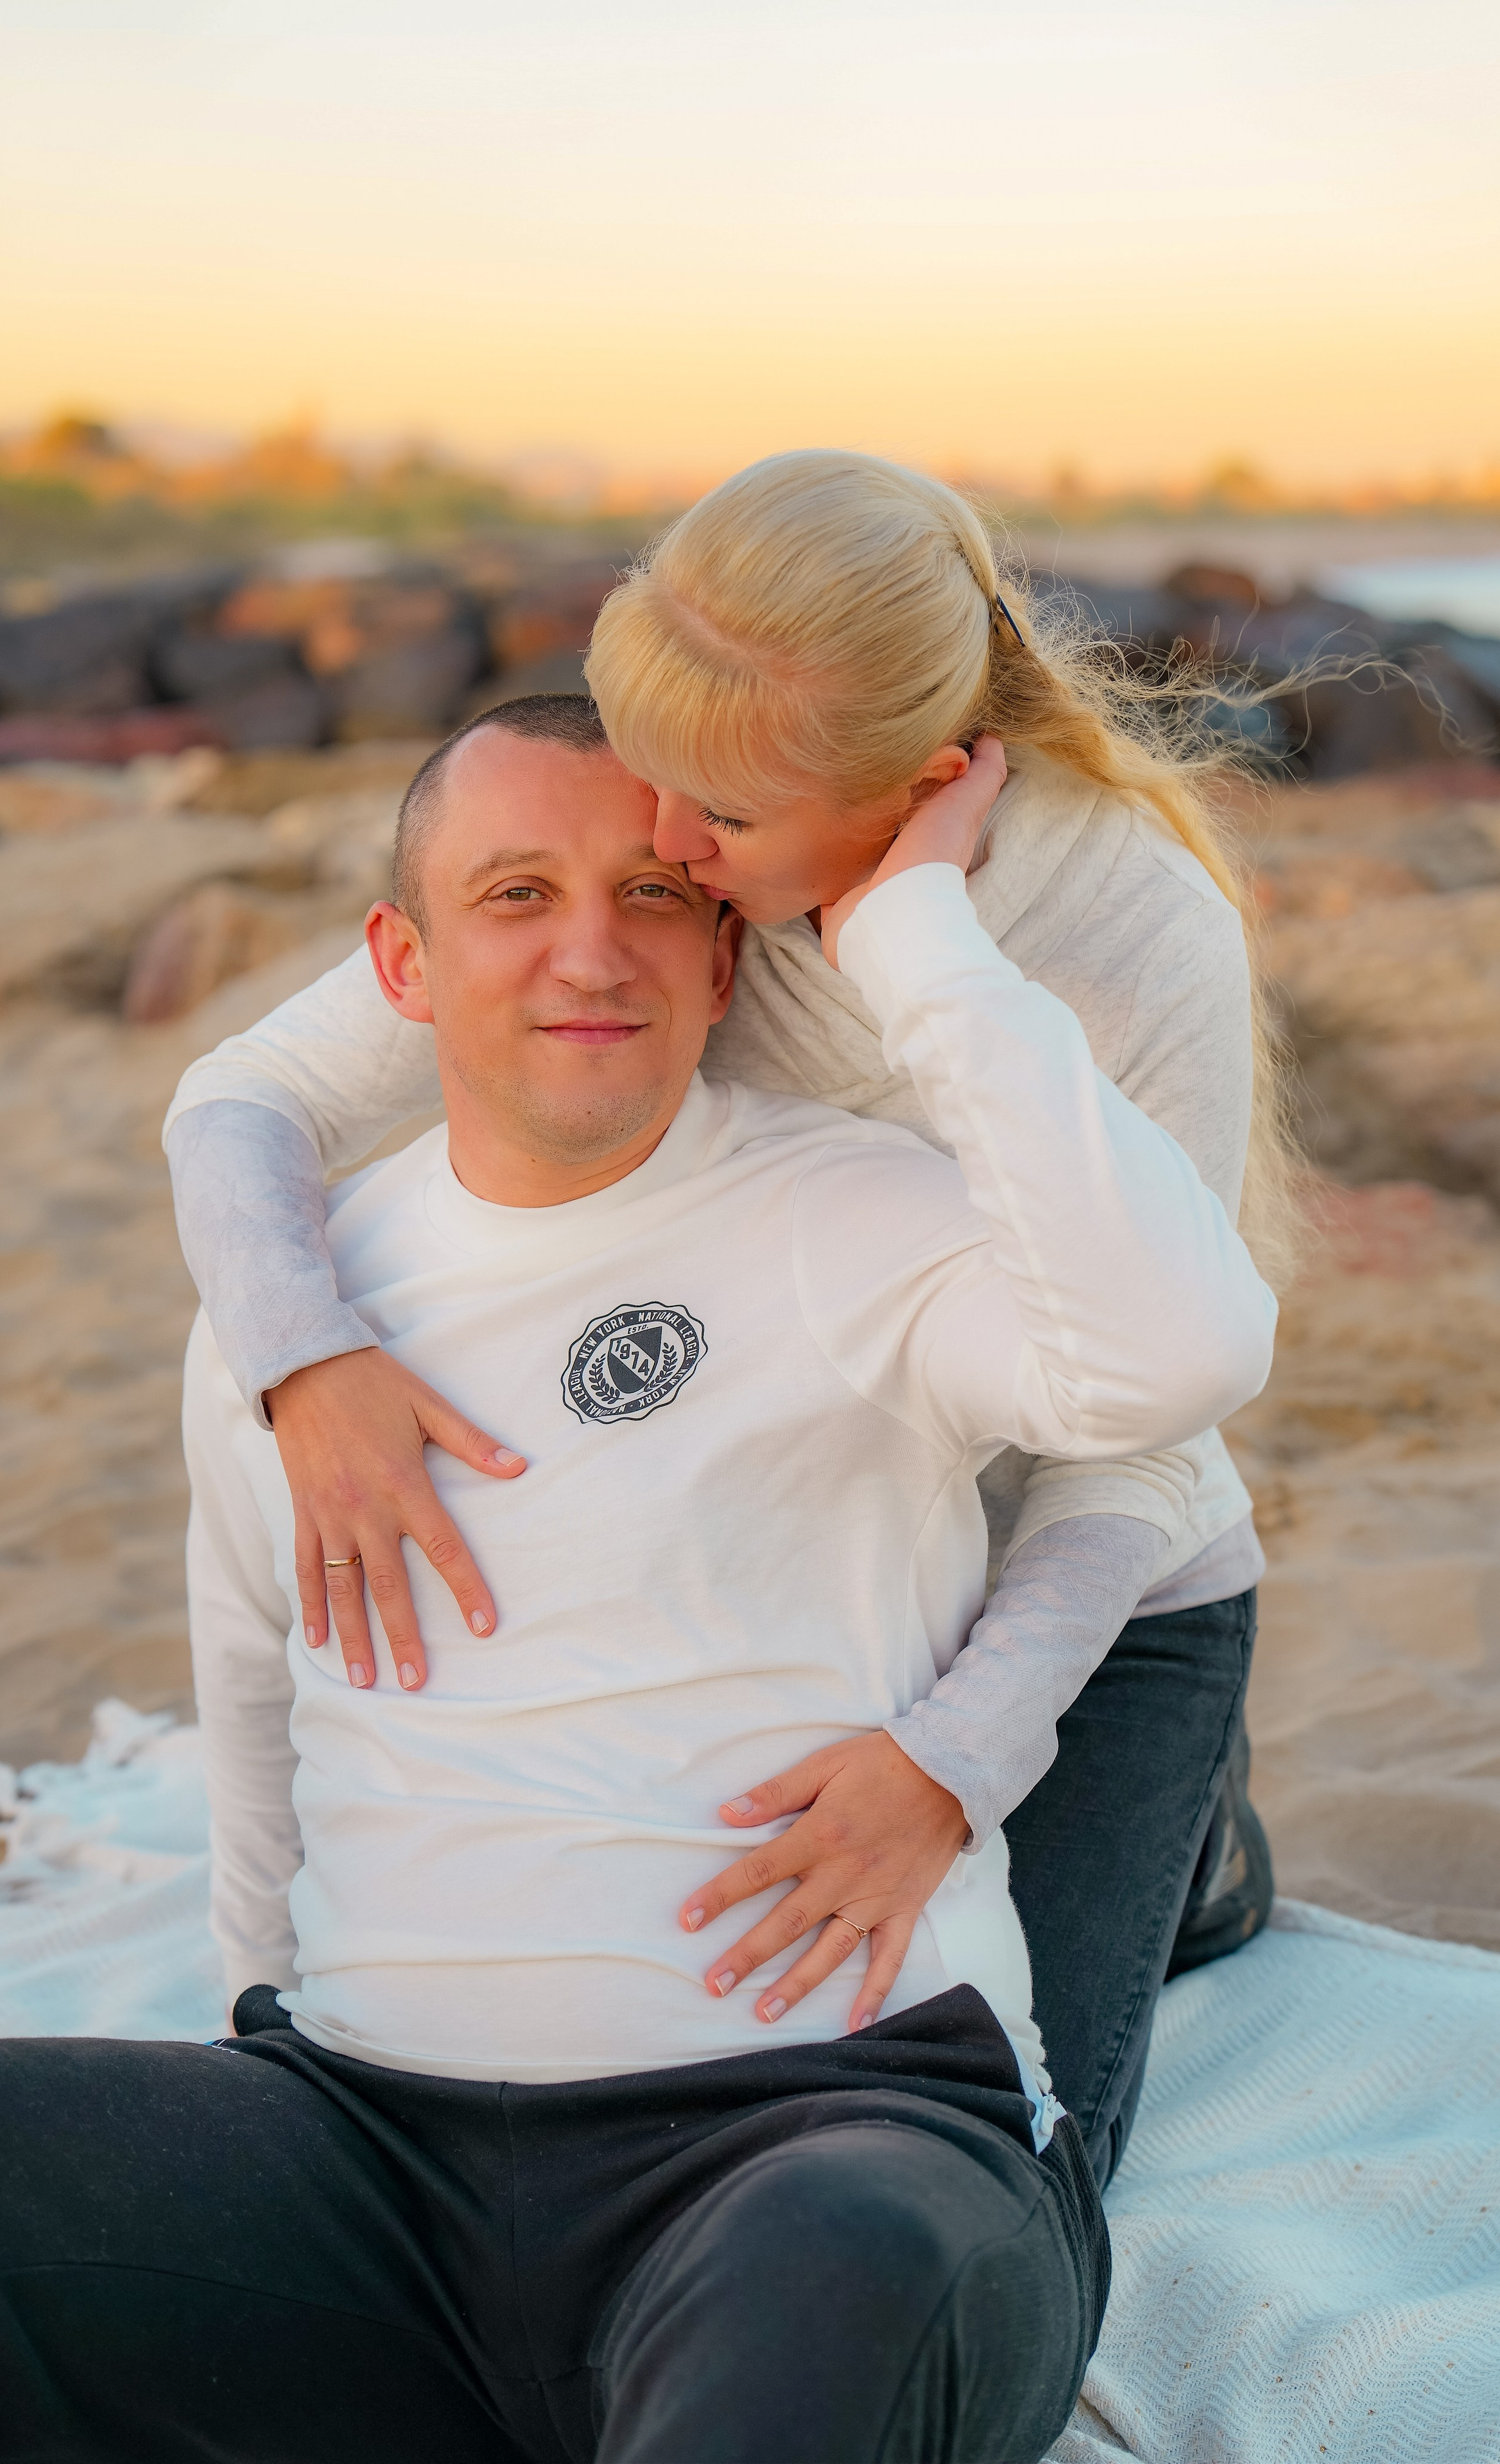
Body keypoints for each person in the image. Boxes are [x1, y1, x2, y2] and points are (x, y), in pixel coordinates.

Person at [0, 699, 1274, 2464]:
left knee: (845, 2275)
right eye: (515, 894)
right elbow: (255, 1681)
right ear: (400, 966)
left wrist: (916, 925)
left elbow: (1176, 1369)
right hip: (367, 2159)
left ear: (732, 964)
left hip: (807, 2144)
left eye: (652, 895)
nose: (589, 951)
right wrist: (263, 2026)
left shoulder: (865, 1221)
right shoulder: (289, 1318)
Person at [163, 449, 1293, 2186]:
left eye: (717, 837)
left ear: (912, 791)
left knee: (1017, 2165)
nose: (666, 850)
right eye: (657, 786)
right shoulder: (694, 806)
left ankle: (1191, 1852)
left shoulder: (1134, 934)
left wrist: (956, 1760)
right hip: (828, 1542)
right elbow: (241, 1106)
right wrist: (302, 1359)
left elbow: (1149, 1429)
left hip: (1097, 1572)